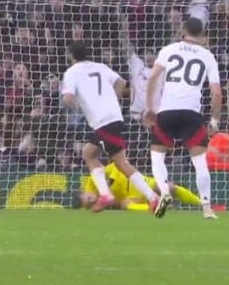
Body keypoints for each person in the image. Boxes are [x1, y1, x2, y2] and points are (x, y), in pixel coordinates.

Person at [61, 41, 162, 214]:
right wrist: (110, 98)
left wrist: (83, 103)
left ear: (71, 55)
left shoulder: (71, 72)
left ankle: (134, 197)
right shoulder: (100, 66)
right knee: (89, 153)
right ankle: (149, 198)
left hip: (102, 120)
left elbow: (68, 99)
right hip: (114, 116)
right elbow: (122, 82)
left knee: (117, 162)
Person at [143, 17, 223, 219]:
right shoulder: (207, 56)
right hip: (192, 113)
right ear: (202, 34)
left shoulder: (169, 49)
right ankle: (206, 208)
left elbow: (152, 77)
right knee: (199, 161)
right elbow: (217, 93)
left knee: (157, 157)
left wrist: (149, 107)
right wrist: (214, 120)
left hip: (167, 111)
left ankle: (164, 192)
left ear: (183, 31)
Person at [79, 162, 201, 212]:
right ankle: (159, 207)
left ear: (84, 192)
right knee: (125, 205)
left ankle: (201, 203)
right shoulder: (98, 204)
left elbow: (117, 165)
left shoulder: (94, 180)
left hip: (136, 182)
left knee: (169, 188)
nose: (93, 200)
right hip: (130, 196)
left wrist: (110, 181)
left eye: (89, 198)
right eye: (90, 203)